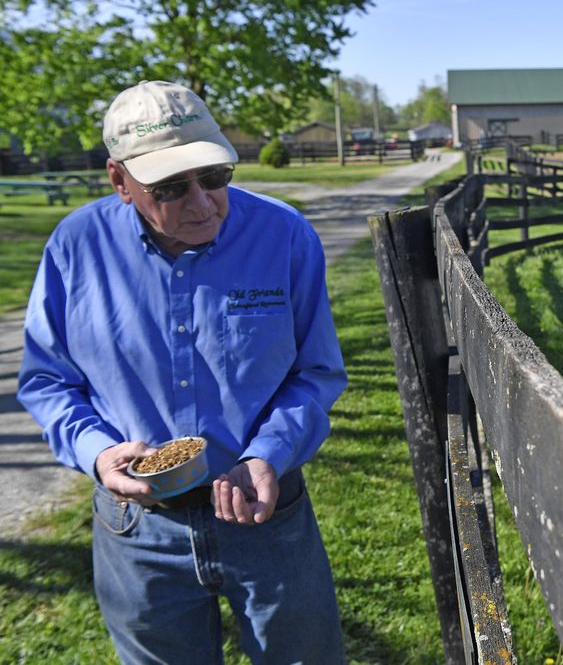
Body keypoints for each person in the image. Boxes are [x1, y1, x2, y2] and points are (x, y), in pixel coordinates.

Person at [18, 80, 348, 663]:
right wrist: (97, 452)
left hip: (268, 517)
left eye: (215, 176)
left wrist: (267, 453)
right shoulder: (76, 247)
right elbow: (48, 381)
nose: (202, 203)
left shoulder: (284, 235)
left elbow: (316, 372)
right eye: (171, 187)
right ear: (119, 180)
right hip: (136, 529)